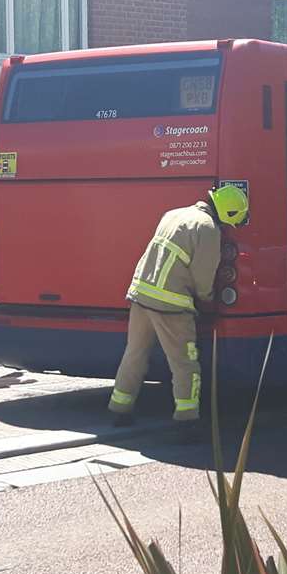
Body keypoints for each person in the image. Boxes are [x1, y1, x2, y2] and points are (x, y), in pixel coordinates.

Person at [108, 183, 249, 427]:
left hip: (141, 295)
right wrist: (205, 299)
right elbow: (203, 275)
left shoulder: (173, 214)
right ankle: (186, 420)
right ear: (229, 214)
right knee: (185, 364)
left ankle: (119, 409)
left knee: (134, 355)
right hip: (171, 306)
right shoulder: (208, 229)